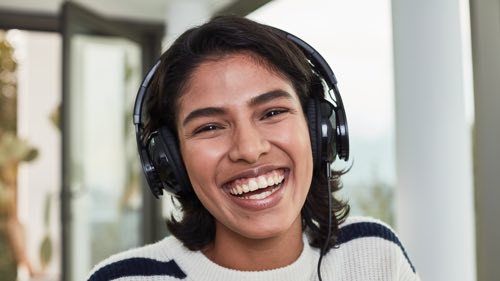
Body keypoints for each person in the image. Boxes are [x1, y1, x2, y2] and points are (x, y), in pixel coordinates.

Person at [87, 15, 420, 281]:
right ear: (169, 160)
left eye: (272, 112)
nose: (248, 148)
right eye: (210, 127)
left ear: (318, 129)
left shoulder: (372, 255)